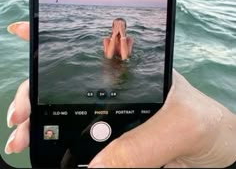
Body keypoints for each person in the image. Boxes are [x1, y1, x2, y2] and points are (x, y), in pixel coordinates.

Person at [5, 21, 236, 168]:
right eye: (115, 27)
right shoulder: (106, 40)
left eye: (120, 27)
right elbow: (109, 58)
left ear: (124, 27)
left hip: (123, 78)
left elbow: (125, 59)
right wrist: (114, 42)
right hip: (107, 78)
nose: (117, 30)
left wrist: (122, 40)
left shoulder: (129, 40)